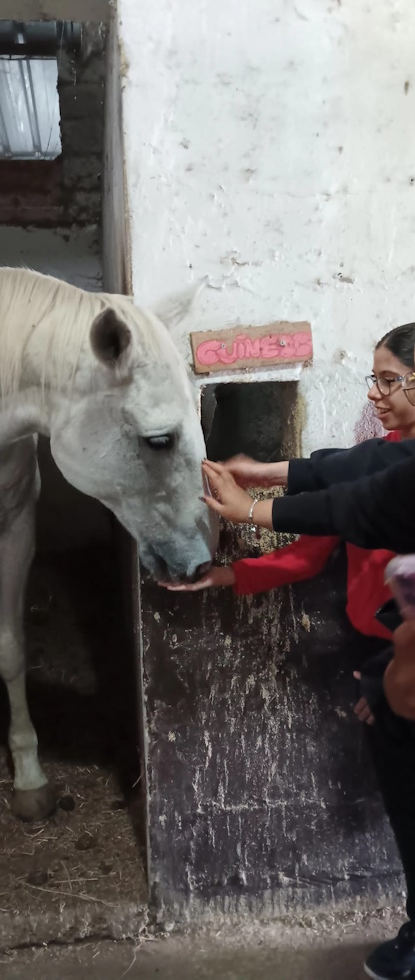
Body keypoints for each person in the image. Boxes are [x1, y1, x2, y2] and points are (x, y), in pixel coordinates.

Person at [162, 324, 415, 980]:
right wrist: (230, 574)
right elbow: (322, 528)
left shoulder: (390, 476)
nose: (375, 393)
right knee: (403, 797)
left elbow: (354, 489)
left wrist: (254, 502)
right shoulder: (382, 458)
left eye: (389, 379)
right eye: (375, 379)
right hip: (382, 655)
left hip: (402, 660)